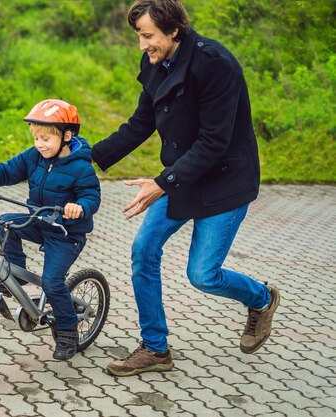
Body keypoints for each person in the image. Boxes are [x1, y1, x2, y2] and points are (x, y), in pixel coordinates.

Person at [91, 0, 280, 376]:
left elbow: (213, 142)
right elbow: (140, 123)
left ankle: (261, 299)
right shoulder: (156, 61)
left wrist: (161, 183)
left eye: (148, 35)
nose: (142, 45)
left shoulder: (215, 65)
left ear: (173, 29)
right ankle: (155, 349)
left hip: (224, 181)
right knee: (143, 251)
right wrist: (89, 157)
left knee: (203, 275)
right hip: (181, 177)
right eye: (139, 37)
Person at [0, 99, 101, 361]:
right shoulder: (34, 156)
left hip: (66, 233)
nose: (40, 144)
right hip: (40, 221)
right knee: (6, 222)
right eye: (37, 138)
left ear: (66, 136)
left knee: (52, 282)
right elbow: (8, 170)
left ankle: (67, 331)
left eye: (45, 139)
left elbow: (91, 197)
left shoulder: (81, 168)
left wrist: (79, 207)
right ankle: (14, 277)